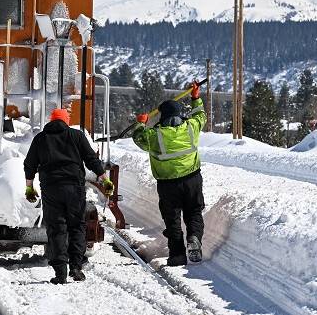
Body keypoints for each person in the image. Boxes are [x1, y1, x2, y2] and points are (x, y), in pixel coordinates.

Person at [23, 108, 114, 284]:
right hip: (74, 188)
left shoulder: (41, 138)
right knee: (77, 227)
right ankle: (76, 267)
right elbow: (91, 159)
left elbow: (30, 164)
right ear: (66, 121)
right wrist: (104, 179)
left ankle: (60, 273)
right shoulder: (76, 136)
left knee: (56, 228)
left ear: (51, 120)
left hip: (51, 189)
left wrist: (29, 187)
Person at [132, 81, 206, 266]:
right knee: (194, 212)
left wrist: (140, 124)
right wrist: (195, 97)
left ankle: (177, 255)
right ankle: (194, 237)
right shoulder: (191, 127)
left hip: (167, 185)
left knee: (172, 219)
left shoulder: (154, 135)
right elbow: (201, 115)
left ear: (162, 117)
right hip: (192, 179)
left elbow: (138, 138)